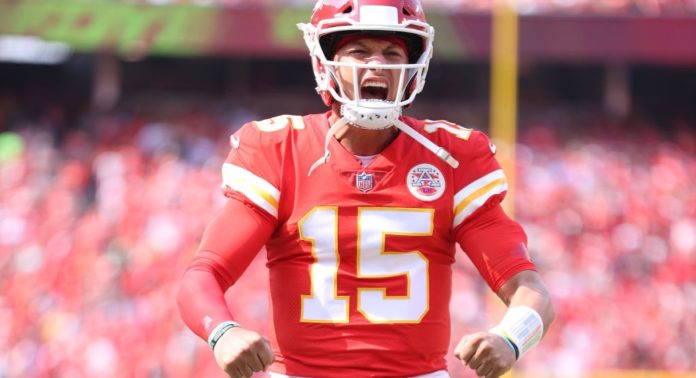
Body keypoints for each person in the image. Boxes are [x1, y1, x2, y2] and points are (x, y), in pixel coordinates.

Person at [177, 1, 554, 377]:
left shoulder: (453, 156)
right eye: (359, 51)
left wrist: (510, 338)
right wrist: (223, 332)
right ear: (325, 62)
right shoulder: (280, 150)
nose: (378, 64)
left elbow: (529, 287)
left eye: (392, 52)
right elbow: (203, 274)